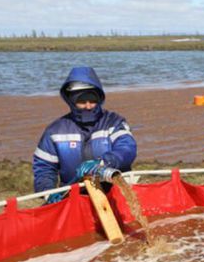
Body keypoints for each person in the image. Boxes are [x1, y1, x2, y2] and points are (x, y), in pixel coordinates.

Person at [33, 66, 137, 202]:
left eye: (92, 100)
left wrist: (103, 162)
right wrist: (48, 192)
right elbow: (44, 168)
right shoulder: (55, 131)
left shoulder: (114, 122)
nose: (88, 106)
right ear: (71, 100)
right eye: (82, 101)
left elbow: (127, 149)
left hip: (115, 194)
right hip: (73, 198)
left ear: (100, 98)